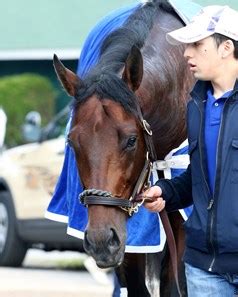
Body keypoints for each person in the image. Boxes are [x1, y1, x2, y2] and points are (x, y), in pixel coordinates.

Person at [143, 5, 238, 297]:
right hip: (203, 269)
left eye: (197, 45)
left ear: (226, 48)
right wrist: (167, 192)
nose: (186, 54)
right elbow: (201, 177)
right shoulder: (196, 105)